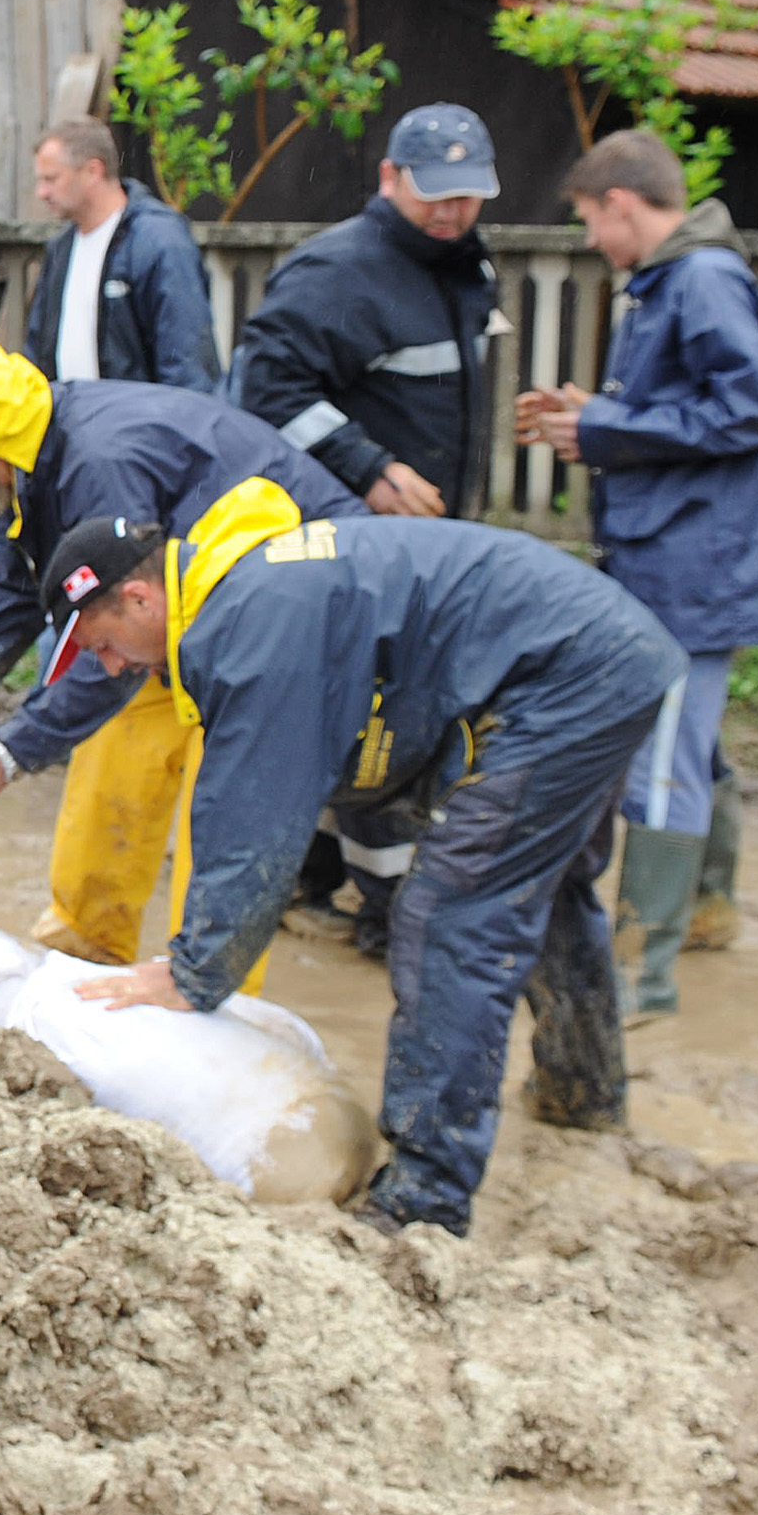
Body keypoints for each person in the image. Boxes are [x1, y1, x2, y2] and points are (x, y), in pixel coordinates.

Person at [43, 501, 683, 1235]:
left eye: (102, 643)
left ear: (138, 596)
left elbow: (257, 816)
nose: (114, 666)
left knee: (449, 915)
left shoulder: (250, 625)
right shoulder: (248, 596)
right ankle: (582, 1094)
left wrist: (193, 971)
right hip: (592, 653)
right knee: (541, 884)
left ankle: (425, 1200)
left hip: (568, 675)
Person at [0, 332, 363, 982]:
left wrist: (8, 753)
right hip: (180, 601)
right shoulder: (19, 468)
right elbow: (20, 590)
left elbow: (110, 624)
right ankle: (84, 944)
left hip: (278, 604)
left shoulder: (98, 462)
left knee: (227, 784)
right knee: (118, 744)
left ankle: (208, 984)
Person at [519, 130, 758, 1026]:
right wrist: (594, 417)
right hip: (687, 553)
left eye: (594, 221)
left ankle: (641, 973)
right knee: (695, 738)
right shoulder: (675, 282)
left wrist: (602, 431)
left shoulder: (701, 281)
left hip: (693, 566)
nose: (595, 241)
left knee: (667, 753)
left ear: (624, 203)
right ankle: (708, 909)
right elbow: (691, 411)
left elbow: (748, 406)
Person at [225, 101, 507, 952]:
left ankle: (312, 879)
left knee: (375, 717)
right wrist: (370, 467)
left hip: (433, 539)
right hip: (355, 540)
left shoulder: (467, 268)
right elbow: (265, 394)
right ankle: (388, 913)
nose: (453, 212)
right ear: (388, 179)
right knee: (383, 718)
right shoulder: (336, 271)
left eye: (469, 196)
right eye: (435, 195)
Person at [17, 116, 219, 392]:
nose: (41, 192)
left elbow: (186, 358)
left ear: (93, 171)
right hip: (69, 423)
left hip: (137, 427)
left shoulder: (159, 241)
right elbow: (38, 349)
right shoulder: (61, 246)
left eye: (51, 179)